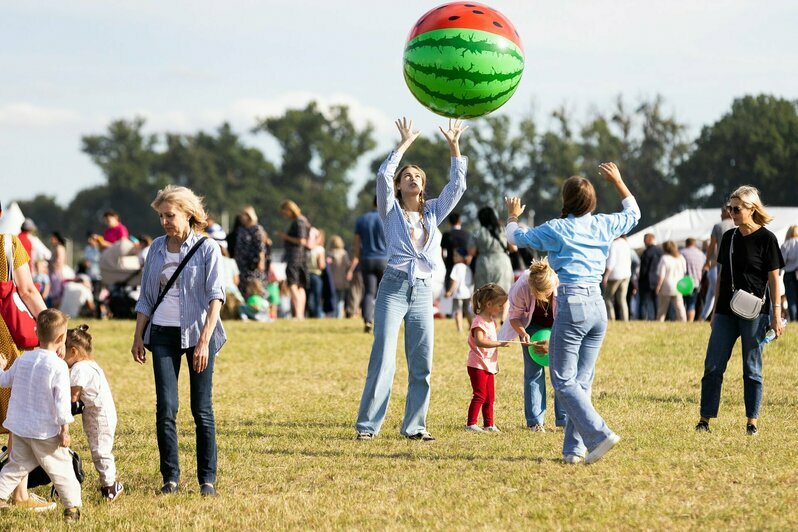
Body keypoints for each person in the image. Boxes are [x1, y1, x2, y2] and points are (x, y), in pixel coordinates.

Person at [505, 161, 640, 464]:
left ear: (565, 201)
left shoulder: (557, 228)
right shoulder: (604, 224)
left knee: (562, 379)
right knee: (581, 380)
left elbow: (517, 238)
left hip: (572, 301)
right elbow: (634, 213)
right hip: (597, 305)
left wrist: (513, 216)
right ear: (592, 202)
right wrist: (619, 181)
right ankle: (574, 450)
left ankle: (599, 434)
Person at [355, 117, 468, 442]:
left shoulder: (433, 212)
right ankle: (368, 426)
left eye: (418, 176)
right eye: (407, 176)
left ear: (423, 185)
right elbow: (382, 175)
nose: (413, 179)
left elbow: (457, 186)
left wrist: (454, 145)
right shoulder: (389, 211)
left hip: (421, 291)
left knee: (422, 361)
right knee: (383, 358)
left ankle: (415, 425)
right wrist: (403, 145)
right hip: (392, 287)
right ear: (399, 186)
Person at [131, 185, 226, 497]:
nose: (164, 222)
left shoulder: (208, 249)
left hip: (199, 333)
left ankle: (207, 480)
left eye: (170, 215)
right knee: (166, 409)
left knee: (202, 409)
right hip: (162, 334)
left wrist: (204, 341)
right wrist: (137, 336)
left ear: (188, 214)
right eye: (161, 216)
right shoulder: (156, 248)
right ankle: (170, 478)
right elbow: (146, 297)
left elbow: (216, 297)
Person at [696, 186, 784, 436]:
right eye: (729, 208)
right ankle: (704, 419)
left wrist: (776, 314)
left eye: (736, 209)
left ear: (751, 209)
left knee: (752, 368)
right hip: (725, 310)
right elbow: (722, 276)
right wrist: (713, 311)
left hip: (756, 313)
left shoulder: (768, 239)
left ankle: (751, 422)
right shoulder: (729, 237)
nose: (731, 213)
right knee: (713, 365)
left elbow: (774, 280)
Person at [0, 309, 81, 520]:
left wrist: (0, 367)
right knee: (61, 469)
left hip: (19, 428)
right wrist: (65, 430)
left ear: (36, 332)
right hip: (45, 431)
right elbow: (62, 402)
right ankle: (72, 508)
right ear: (61, 338)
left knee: (15, 466)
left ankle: (0, 495)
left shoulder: (24, 358)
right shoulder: (58, 366)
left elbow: (4, 381)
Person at [0, 202, 51, 511]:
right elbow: (28, 290)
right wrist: (53, 331)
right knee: (15, 413)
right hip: (5, 337)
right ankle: (18, 494)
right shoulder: (8, 242)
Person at [498, 258, 567, 432]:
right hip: (531, 326)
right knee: (533, 372)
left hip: (558, 326)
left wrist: (552, 344)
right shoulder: (521, 287)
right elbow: (514, 317)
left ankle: (565, 419)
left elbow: (569, 322)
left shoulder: (564, 285)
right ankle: (535, 422)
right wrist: (523, 334)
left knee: (561, 371)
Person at [64, 324, 123, 501]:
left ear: (73, 351)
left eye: (61, 351)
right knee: (99, 449)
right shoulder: (91, 365)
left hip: (100, 417)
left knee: (101, 451)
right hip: (99, 414)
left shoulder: (79, 369)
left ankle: (110, 486)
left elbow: (72, 397)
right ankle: (108, 484)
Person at [465, 284, 510, 432]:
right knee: (480, 394)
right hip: (477, 364)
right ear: (489, 304)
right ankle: (471, 424)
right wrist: (499, 344)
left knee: (490, 397)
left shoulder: (492, 321)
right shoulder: (479, 322)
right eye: (500, 305)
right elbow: (479, 341)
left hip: (488, 364)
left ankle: (489, 424)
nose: (502, 308)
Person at [347, 197, 388, 333]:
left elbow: (357, 244)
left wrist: (356, 259)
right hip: (384, 259)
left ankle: (368, 320)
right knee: (386, 292)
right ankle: (384, 321)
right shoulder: (387, 218)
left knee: (369, 292)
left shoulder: (362, 219)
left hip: (367, 259)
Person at [701, 206, 736, 321]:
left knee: (722, 287)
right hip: (737, 260)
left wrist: (707, 261)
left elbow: (712, 246)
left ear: (726, 212)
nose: (720, 215)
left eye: (721, 213)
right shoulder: (738, 224)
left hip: (723, 261)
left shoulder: (718, 226)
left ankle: (721, 314)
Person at [469, 206, 514, 294]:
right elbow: (513, 248)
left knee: (483, 295)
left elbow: (472, 251)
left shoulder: (478, 232)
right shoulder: (503, 230)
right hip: (502, 263)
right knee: (502, 294)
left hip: (483, 263)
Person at [277, 200, 310, 319]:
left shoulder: (298, 222)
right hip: (302, 258)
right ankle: (300, 313)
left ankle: (298, 313)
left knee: (293, 284)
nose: (284, 215)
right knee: (300, 285)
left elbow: (301, 240)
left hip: (294, 257)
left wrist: (285, 236)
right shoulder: (303, 220)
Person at [232, 206, 267, 297]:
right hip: (242, 264)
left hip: (252, 265)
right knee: (244, 288)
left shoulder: (256, 228)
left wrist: (261, 261)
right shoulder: (241, 229)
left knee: (255, 287)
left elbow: (261, 247)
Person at [655, 241, 687, 322]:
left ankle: (659, 321)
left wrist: (658, 286)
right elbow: (684, 271)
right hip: (679, 284)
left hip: (667, 285)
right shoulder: (681, 258)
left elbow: (661, 275)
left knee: (662, 307)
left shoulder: (664, 258)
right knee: (680, 307)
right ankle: (684, 321)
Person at [444, 248, 474, 333]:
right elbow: (471, 281)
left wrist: (450, 291)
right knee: (468, 311)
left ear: (462, 257)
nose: (454, 257)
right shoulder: (467, 267)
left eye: (456, 255)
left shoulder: (456, 267)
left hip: (458, 294)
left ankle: (460, 328)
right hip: (467, 293)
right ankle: (471, 326)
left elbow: (454, 280)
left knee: (458, 311)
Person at [603, 236, 632, 320]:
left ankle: (611, 318)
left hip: (615, 275)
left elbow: (611, 262)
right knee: (622, 299)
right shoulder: (626, 243)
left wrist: (606, 276)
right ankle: (625, 319)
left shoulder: (614, 244)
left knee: (607, 298)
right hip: (626, 274)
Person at [441, 212, 471, 292]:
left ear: (449, 222)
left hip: (450, 264)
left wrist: (446, 262)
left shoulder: (446, 235)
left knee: (449, 290)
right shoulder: (467, 234)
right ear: (459, 221)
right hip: (464, 266)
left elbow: (443, 252)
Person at [681, 238, 707, 321]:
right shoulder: (701, 254)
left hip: (684, 282)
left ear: (686, 243)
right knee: (691, 304)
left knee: (682, 303)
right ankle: (690, 322)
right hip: (696, 282)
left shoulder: (682, 253)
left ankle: (682, 320)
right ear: (695, 244)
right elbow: (705, 268)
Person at [638, 233, 662, 321]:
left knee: (643, 302)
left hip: (646, 280)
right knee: (656, 301)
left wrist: (640, 279)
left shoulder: (646, 252)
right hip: (657, 279)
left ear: (647, 240)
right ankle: (657, 318)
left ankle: (643, 318)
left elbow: (643, 269)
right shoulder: (660, 251)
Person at [327, 235, 351, 318]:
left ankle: (334, 315)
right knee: (341, 299)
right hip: (342, 279)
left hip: (332, 280)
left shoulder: (330, 253)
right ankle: (339, 315)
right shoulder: (344, 253)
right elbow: (348, 265)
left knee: (334, 298)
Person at [306, 228, 326, 318]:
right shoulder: (320, 249)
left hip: (307, 275)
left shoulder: (307, 249)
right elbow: (321, 265)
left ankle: (309, 314)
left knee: (308, 297)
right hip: (316, 275)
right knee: (317, 298)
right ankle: (317, 315)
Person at [780, 225, 798, 321]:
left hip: (789, 274)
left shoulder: (786, 244)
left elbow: (781, 262)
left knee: (791, 298)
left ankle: (794, 320)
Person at [48, 232, 67, 308]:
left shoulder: (59, 248)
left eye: (52, 238)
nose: (51, 240)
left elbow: (59, 261)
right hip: (54, 273)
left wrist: (51, 263)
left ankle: (56, 311)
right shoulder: (56, 248)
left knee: (57, 294)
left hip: (56, 273)